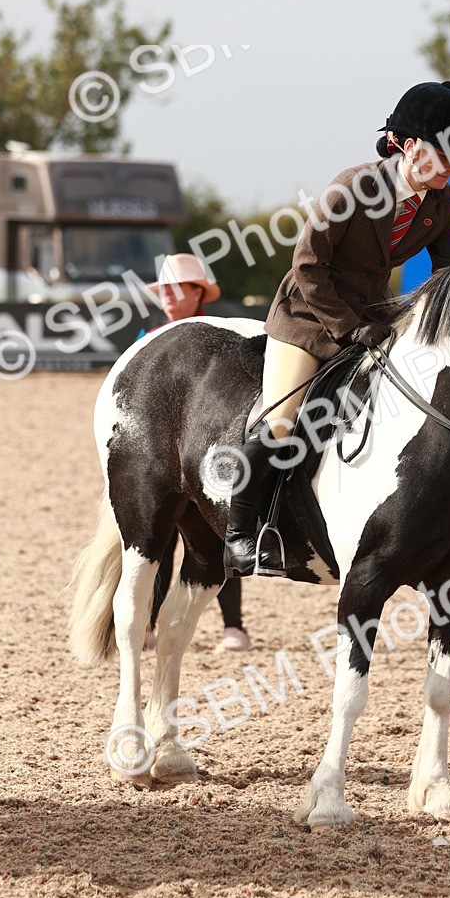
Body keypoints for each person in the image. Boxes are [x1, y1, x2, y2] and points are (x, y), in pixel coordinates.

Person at [223, 80, 450, 578]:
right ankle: (240, 533)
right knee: (283, 422)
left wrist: (429, 325)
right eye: (445, 158)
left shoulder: (440, 204)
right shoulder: (354, 187)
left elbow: (449, 274)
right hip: (308, 319)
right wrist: (347, 327)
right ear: (409, 146)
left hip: (373, 320)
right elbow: (307, 267)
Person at [144, 253, 255, 652]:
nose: (169, 297)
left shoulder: (220, 336)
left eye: (177, 289)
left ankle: (234, 627)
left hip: (207, 454)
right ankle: (148, 626)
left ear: (197, 293)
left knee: (222, 535)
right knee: (158, 542)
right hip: (161, 458)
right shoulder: (149, 342)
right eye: (164, 291)